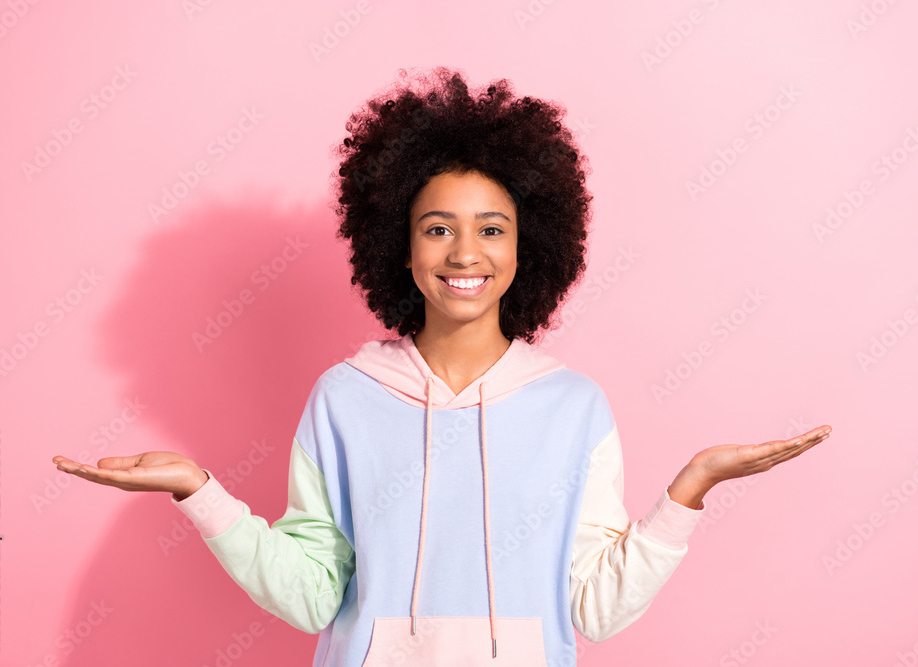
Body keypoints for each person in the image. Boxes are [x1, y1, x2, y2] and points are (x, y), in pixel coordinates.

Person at [52, 66, 832, 666]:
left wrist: (690, 488)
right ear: (399, 241)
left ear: (529, 246)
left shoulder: (574, 407)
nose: (465, 253)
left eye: (492, 228)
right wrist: (201, 491)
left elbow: (592, 607)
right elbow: (311, 594)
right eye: (437, 228)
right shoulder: (344, 399)